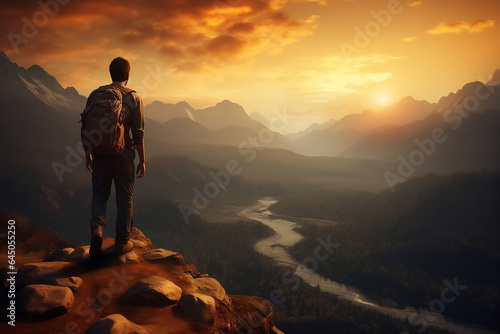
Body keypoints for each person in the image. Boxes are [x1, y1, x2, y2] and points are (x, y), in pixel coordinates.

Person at [84, 57, 145, 258]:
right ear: (127, 74)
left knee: (100, 195)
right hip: (123, 156)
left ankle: (97, 233)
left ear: (111, 73)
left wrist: (88, 153)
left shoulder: (96, 94)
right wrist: (142, 160)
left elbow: (87, 126)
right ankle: (121, 243)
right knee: (125, 199)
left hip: (100, 154)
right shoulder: (134, 98)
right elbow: (138, 134)